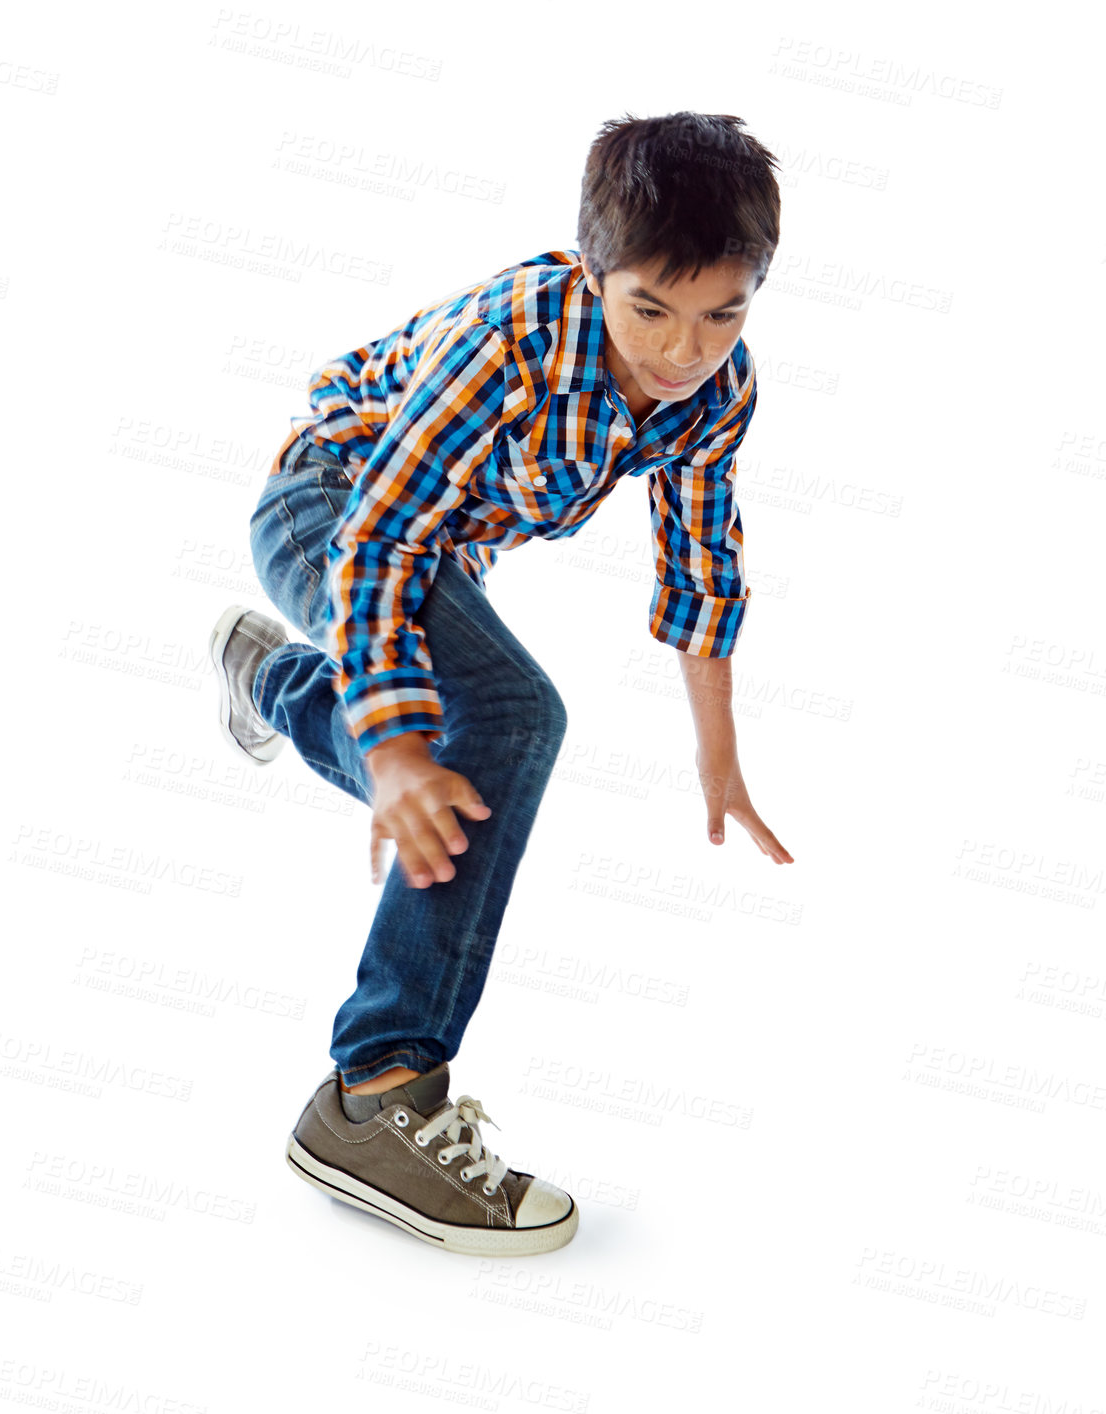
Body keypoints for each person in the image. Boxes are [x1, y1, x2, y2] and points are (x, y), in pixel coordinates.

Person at [207, 111, 793, 1256]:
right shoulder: (512, 336)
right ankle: (376, 1094)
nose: (685, 352)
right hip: (330, 506)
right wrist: (389, 745)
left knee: (467, 749)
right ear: (593, 272)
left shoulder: (717, 390)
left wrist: (716, 755)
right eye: (651, 313)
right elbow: (376, 540)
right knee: (511, 717)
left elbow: (702, 560)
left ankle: (276, 683)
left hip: (434, 557)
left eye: (722, 313)